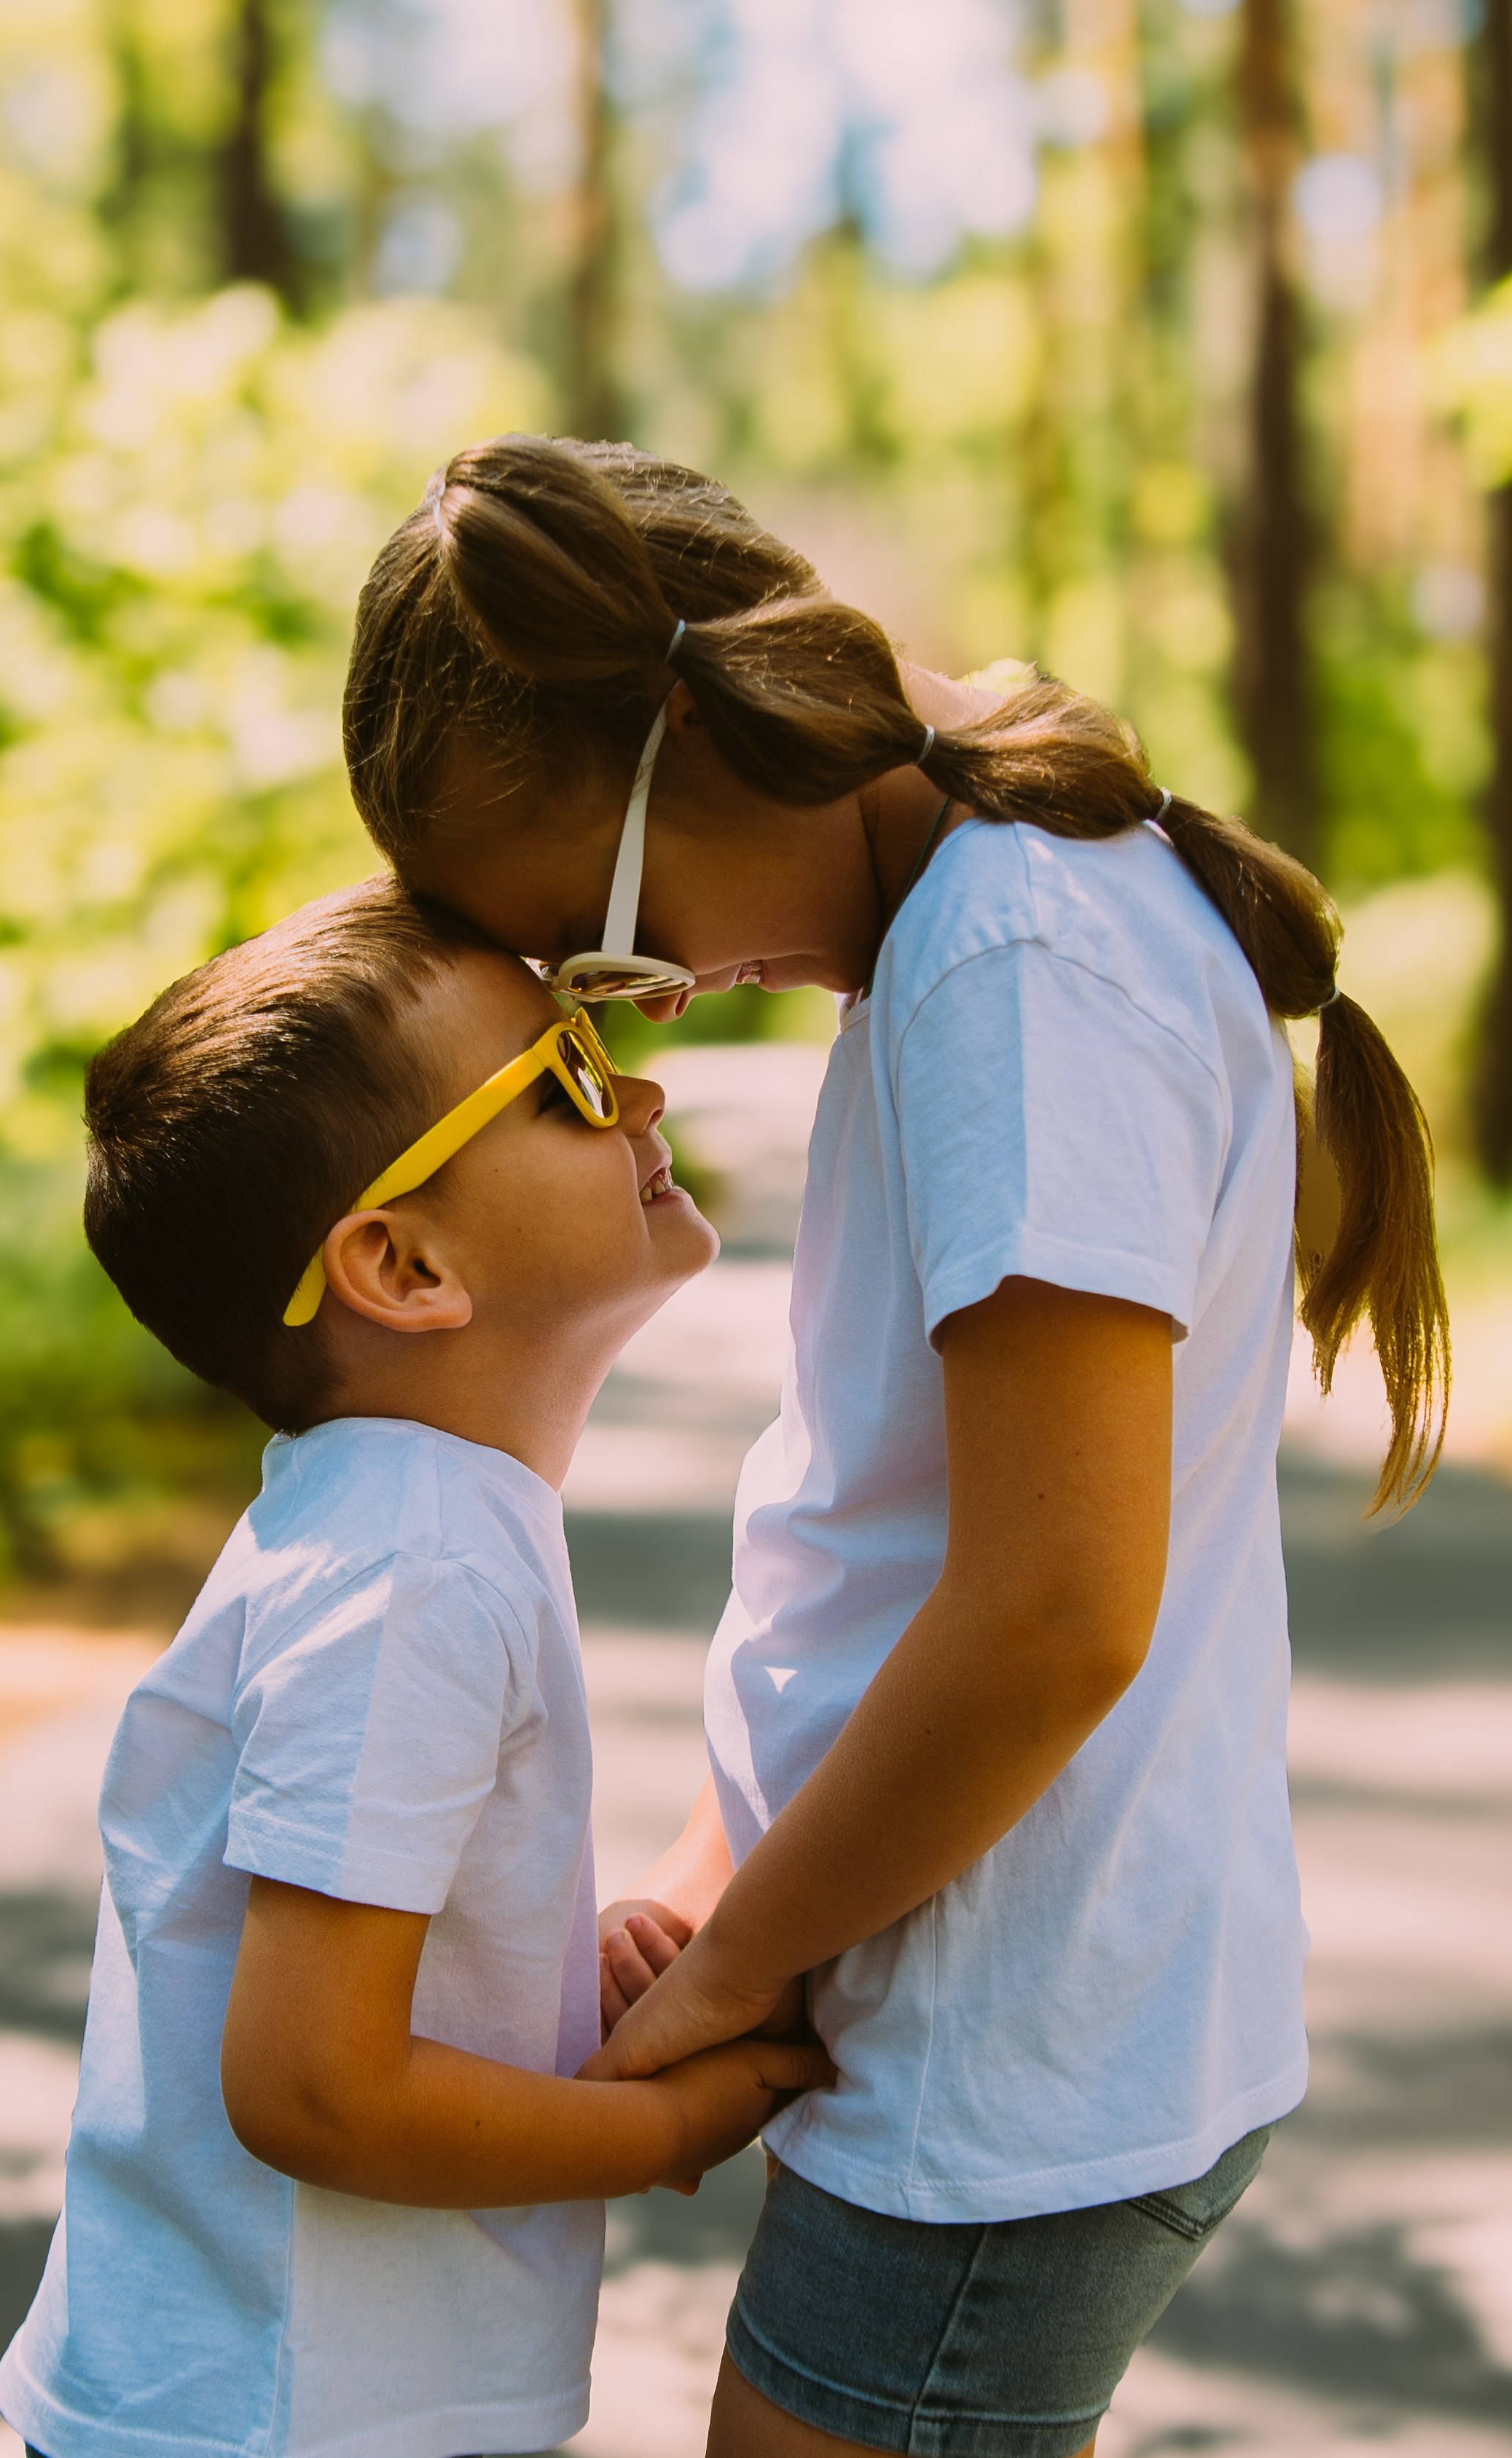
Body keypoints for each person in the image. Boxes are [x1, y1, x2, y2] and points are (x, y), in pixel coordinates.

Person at [334, 435, 1450, 2458]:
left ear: (695, 725)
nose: (658, 1002)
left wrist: (733, 1970)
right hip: (969, 2005)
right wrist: (712, 1873)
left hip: (1001, 2060)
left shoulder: (1012, 960)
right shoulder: (963, 937)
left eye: (610, 939)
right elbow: (882, 1533)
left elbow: (1051, 1613)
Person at [0, 877, 829, 2458]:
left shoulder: (403, 1523)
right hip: (283, 2421)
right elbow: (312, 2085)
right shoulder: (414, 1562)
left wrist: (541, 1977)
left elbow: (337, 1965)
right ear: (405, 1266)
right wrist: (656, 2126)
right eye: (570, 1073)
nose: (640, 1085)